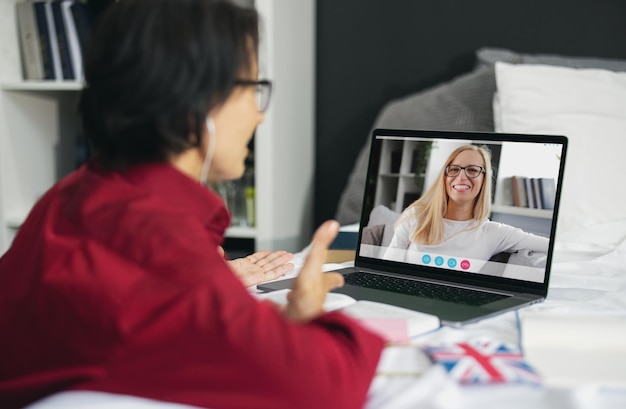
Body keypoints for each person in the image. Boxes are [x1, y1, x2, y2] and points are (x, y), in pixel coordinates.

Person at [0, 1, 385, 408]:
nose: (259, 116)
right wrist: (312, 316)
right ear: (197, 101)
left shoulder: (74, 194)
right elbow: (328, 385)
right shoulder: (156, 247)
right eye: (253, 89)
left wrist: (213, 280)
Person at [384, 144, 549, 270]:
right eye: (454, 169)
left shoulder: (494, 232)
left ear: (484, 180)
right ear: (445, 177)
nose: (461, 177)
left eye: (472, 170)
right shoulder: (417, 215)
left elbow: (550, 245)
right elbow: (388, 267)